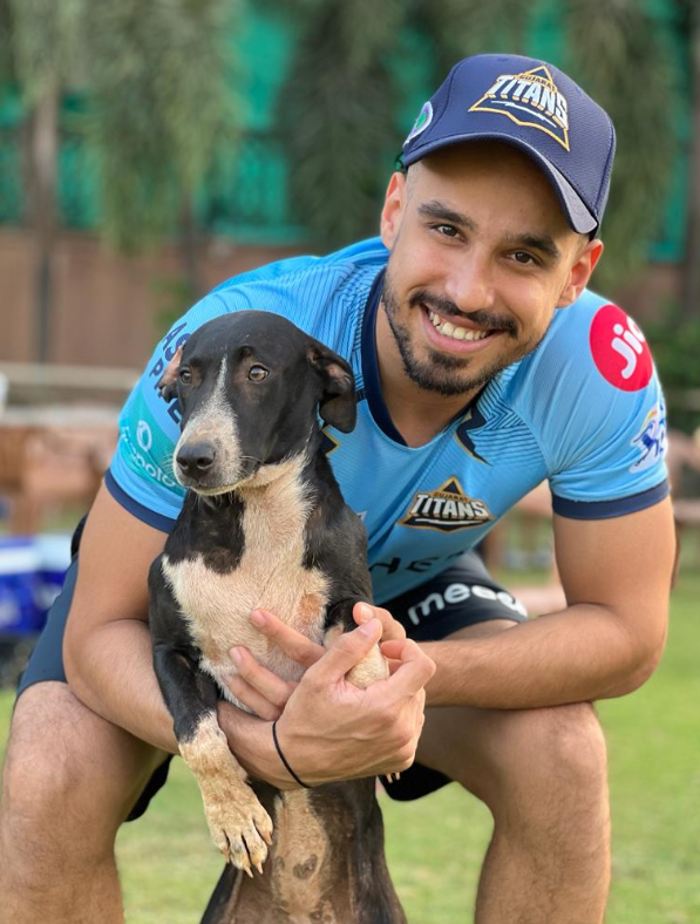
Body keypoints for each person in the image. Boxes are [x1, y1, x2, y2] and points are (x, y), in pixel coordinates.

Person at [0, 53, 675, 924]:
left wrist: (412, 670)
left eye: (524, 253)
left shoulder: (598, 369)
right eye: (446, 228)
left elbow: (628, 632)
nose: (469, 290)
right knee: (52, 761)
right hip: (194, 604)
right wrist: (267, 744)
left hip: (397, 592)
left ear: (578, 274)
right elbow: (98, 628)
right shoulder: (238, 344)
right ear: (394, 212)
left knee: (565, 755)